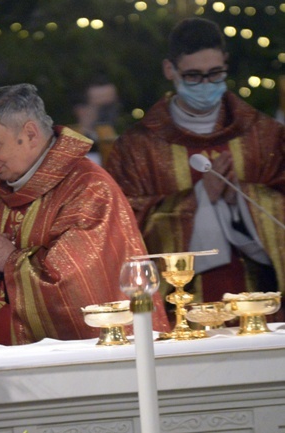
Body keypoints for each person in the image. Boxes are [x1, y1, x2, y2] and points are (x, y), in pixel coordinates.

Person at [0, 83, 169, 346]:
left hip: (92, 362)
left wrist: (9, 261)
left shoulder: (89, 189)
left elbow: (77, 286)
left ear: (30, 133)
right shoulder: (1, 199)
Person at [105, 18, 285, 309]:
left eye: (215, 74)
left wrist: (242, 199)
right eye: (193, 76)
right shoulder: (138, 147)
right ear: (170, 70)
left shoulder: (264, 136)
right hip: (179, 315)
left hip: (262, 305)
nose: (206, 85)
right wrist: (199, 198)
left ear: (225, 63)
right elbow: (120, 229)